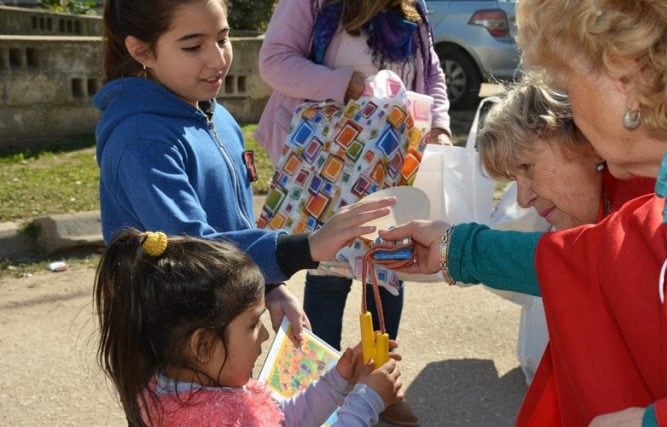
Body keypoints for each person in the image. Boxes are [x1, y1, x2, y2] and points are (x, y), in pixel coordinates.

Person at [381, 0, 667, 425]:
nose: (572, 113)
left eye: (566, 81)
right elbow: (598, 259)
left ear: (625, 72)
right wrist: (457, 249)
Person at [93, 0, 395, 343]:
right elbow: (194, 249)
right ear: (141, 50)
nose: (218, 59)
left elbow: (234, 227)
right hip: (174, 348)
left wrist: (270, 288)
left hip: (227, 332)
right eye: (193, 46)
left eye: (222, 39)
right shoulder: (141, 140)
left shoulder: (218, 117)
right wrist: (308, 247)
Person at [257, 0, 451, 423]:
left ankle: (381, 385)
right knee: (328, 275)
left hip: (388, 162)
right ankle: (318, 393)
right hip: (327, 164)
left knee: (386, 271)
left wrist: (439, 123)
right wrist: (343, 83)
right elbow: (274, 62)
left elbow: (431, 71)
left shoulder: (409, 6)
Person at [94, 229, 404, 426]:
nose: (265, 334)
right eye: (253, 324)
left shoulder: (194, 387)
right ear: (202, 346)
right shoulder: (215, 420)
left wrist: (339, 379)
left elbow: (280, 419)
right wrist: (367, 401)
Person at [476, 75, 654, 384]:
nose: (523, 198)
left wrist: (456, 249)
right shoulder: (612, 200)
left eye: (527, 168)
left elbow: (583, 263)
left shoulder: (649, 202)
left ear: (584, 139)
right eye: (514, 179)